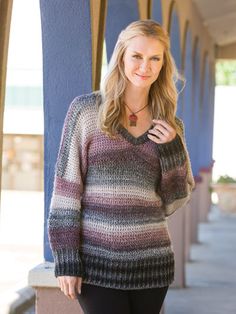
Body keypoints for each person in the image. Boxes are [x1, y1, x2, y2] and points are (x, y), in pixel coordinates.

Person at [48, 19, 195, 314]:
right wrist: (66, 259)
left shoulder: (169, 126)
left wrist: (172, 149)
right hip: (96, 265)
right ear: (122, 57)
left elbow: (174, 200)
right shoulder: (87, 111)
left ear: (163, 64)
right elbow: (66, 191)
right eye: (137, 56)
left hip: (151, 265)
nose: (145, 66)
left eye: (155, 58)